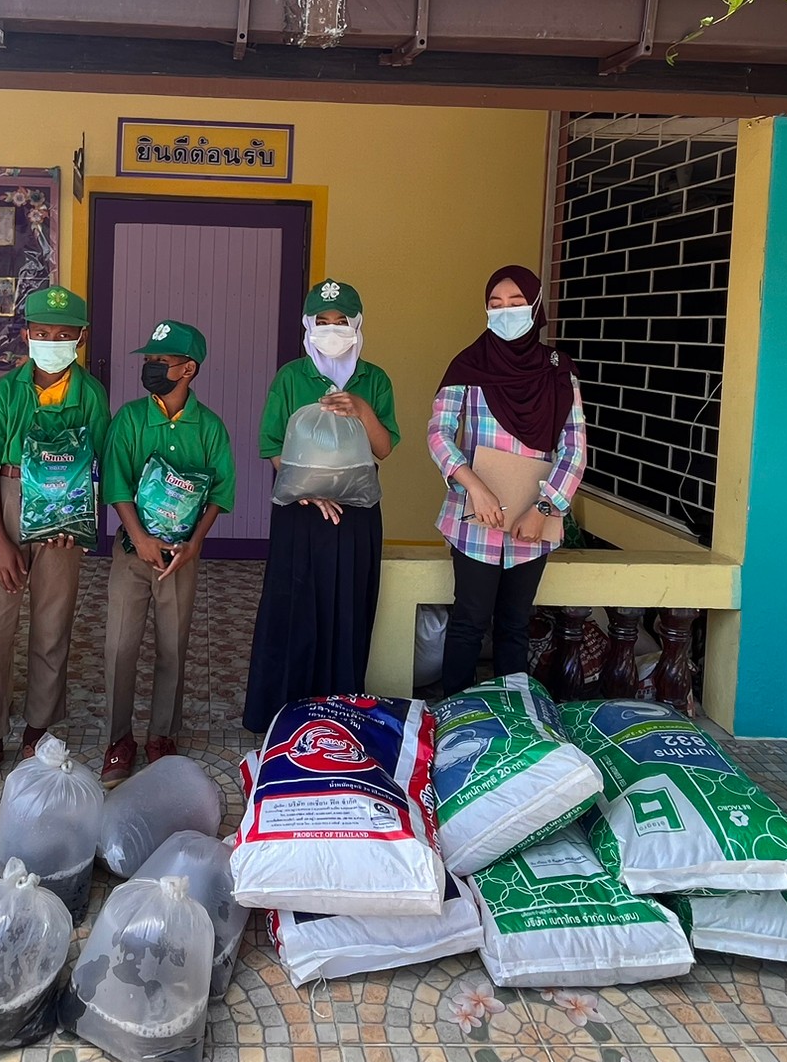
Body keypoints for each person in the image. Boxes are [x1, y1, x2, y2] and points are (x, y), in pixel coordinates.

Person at [0, 285, 111, 797]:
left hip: (65, 514)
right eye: (43, 333)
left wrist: (78, 520)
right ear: (26, 336)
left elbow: (98, 463)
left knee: (52, 626)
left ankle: (39, 731)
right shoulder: (6, 392)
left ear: (81, 338)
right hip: (10, 503)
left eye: (64, 335)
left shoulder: (91, 394)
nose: (53, 342)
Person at [242, 279, 399, 734]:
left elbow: (384, 448)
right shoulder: (292, 377)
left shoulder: (374, 379)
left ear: (358, 325)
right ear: (308, 325)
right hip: (301, 512)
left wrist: (361, 409)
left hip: (356, 513)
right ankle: (284, 714)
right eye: (322, 321)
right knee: (294, 610)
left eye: (341, 321)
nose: (332, 330)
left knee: (349, 610)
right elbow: (271, 444)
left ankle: (338, 712)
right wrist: (307, 489)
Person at [427, 264, 586, 697]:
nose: (505, 311)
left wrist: (544, 508)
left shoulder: (559, 371)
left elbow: (574, 448)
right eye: (495, 304)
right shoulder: (469, 364)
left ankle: (513, 715)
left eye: (516, 303)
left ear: (535, 307)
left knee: (515, 624)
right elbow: (438, 432)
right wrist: (473, 486)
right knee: (469, 620)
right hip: (476, 516)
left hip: (534, 517)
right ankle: (457, 713)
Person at [100, 319, 236, 784]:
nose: (151, 367)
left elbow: (221, 490)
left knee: (172, 647)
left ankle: (162, 734)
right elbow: (116, 482)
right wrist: (138, 537)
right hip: (131, 553)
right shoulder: (130, 419)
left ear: (188, 369)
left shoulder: (210, 427)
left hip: (180, 558)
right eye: (149, 360)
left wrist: (196, 542)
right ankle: (119, 739)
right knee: (120, 646)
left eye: (162, 361)